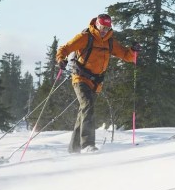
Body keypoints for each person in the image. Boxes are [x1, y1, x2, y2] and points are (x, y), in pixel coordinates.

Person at [56, 14, 141, 153]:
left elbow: (126, 56)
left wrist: (133, 51)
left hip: (96, 82)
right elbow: (64, 48)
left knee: (84, 111)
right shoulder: (85, 37)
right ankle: (88, 145)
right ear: (96, 24)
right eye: (102, 27)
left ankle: (74, 148)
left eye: (107, 28)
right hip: (80, 78)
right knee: (87, 105)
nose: (104, 31)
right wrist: (60, 59)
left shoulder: (110, 41)